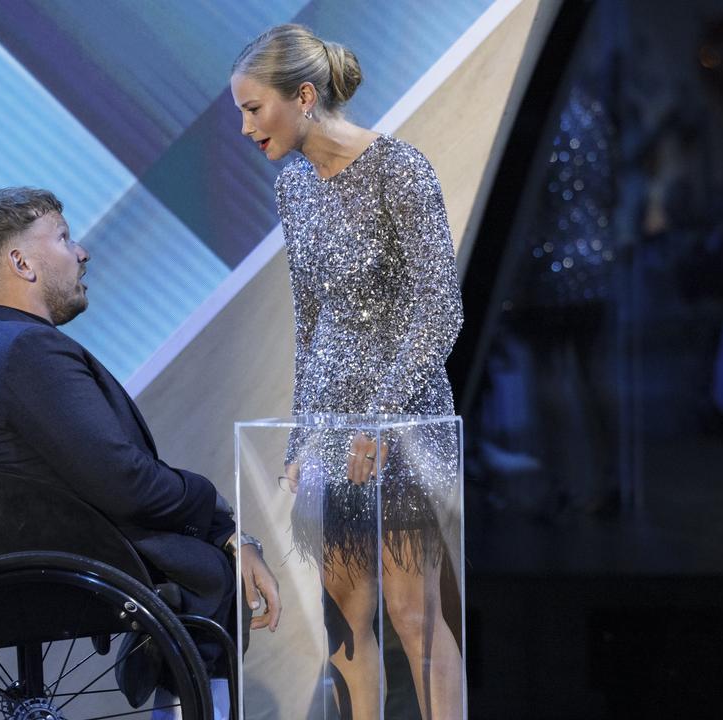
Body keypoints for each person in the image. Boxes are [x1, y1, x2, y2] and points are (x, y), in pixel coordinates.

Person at [0, 187, 281, 719]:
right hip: (62, 554)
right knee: (210, 570)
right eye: (62, 237)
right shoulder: (26, 351)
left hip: (65, 540)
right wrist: (215, 507)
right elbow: (126, 482)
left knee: (205, 562)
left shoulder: (8, 346)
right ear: (20, 262)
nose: (82, 252)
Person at [231, 24, 465, 720]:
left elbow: (439, 310)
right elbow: (312, 325)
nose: (246, 129)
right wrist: (304, 440)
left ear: (303, 96)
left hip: (405, 423)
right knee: (347, 624)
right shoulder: (294, 189)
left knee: (414, 615)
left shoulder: (399, 169)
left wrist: (382, 419)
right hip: (332, 425)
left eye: (253, 109)